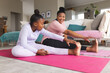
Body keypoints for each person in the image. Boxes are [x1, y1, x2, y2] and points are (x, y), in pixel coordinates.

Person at [11, 9, 81, 57]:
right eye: (42, 24)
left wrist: (64, 39)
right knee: (15, 51)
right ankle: (36, 53)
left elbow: (51, 34)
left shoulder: (39, 29)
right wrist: (37, 51)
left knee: (51, 49)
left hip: (32, 45)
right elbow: (24, 44)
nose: (43, 25)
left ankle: (72, 51)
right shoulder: (25, 28)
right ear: (35, 24)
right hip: (22, 47)